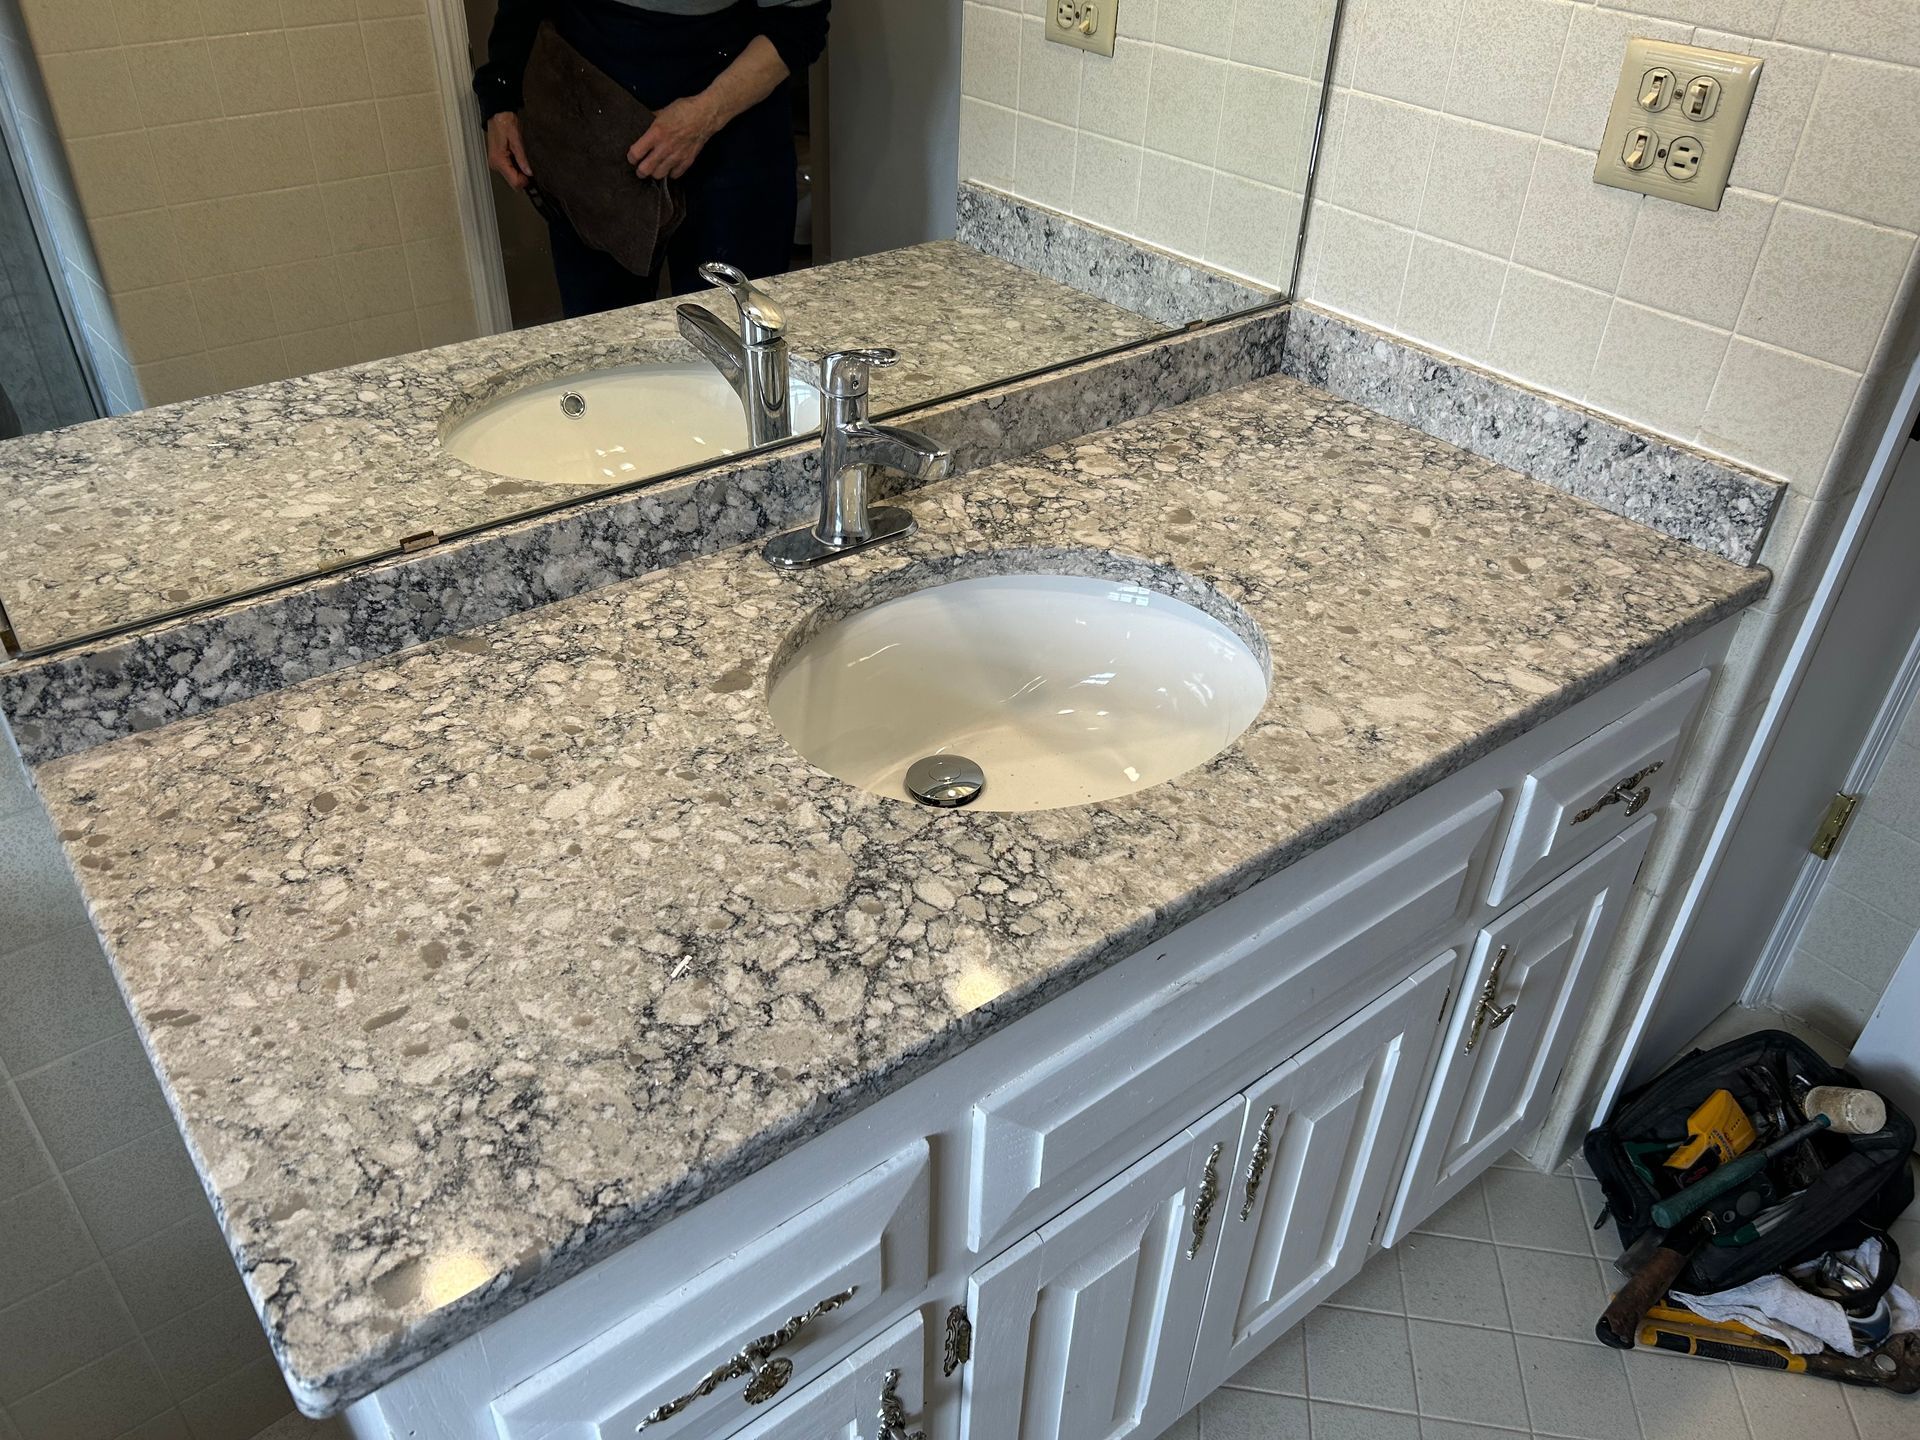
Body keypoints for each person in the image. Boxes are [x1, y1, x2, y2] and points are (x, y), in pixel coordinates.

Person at [474, 0, 829, 318]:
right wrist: (500, 96)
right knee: (607, 338)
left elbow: (799, 21)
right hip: (592, 110)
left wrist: (705, 115)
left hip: (736, 116)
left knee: (732, 334)